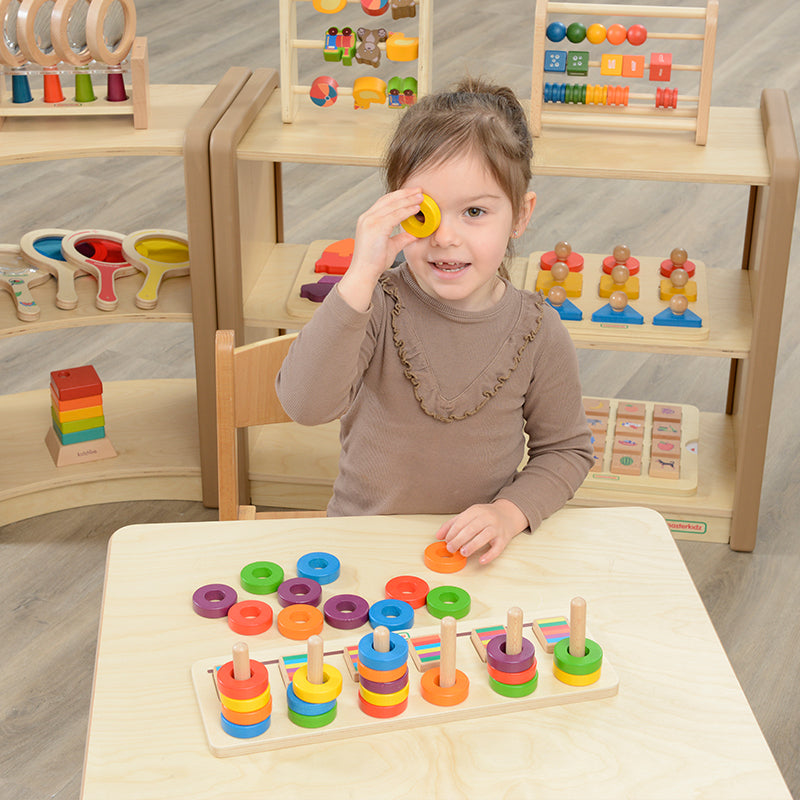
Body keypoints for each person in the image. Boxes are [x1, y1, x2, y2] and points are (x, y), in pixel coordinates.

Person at [276, 77, 593, 564]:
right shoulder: (375, 306)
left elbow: (567, 450)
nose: (445, 238)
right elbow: (305, 404)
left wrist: (509, 513)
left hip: (472, 557)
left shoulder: (537, 331)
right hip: (363, 550)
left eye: (474, 211)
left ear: (520, 216)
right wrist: (361, 274)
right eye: (424, 213)